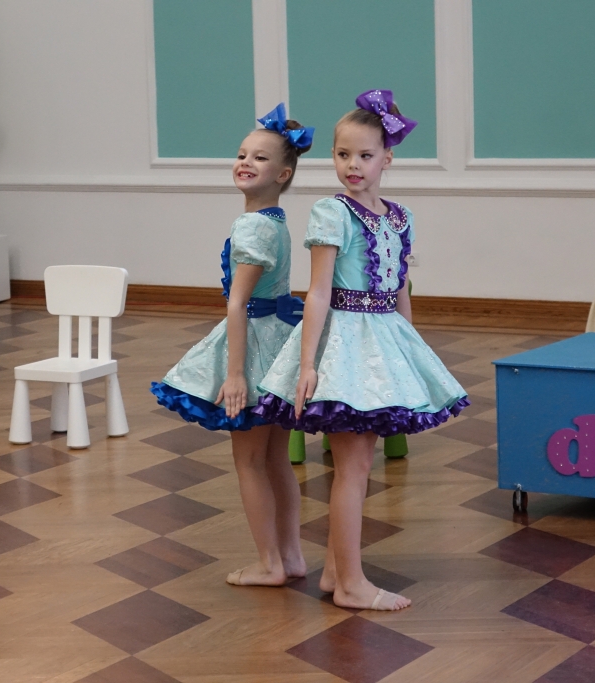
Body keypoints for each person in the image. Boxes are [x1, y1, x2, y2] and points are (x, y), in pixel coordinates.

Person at [254, 90, 469, 611]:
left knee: (362, 464)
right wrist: (308, 364)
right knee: (352, 468)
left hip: (383, 340)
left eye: (365, 155)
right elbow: (319, 292)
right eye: (342, 154)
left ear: (387, 158)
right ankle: (351, 584)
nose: (353, 165)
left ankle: (336, 572)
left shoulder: (400, 217)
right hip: (344, 348)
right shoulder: (332, 212)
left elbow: (399, 290)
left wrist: (410, 355)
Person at [151, 104, 313, 587]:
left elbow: (237, 304)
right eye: (242, 154)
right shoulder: (276, 220)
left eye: (259, 158)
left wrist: (236, 372)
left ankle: (269, 564)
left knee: (249, 461)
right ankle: (291, 556)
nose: (245, 162)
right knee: (276, 459)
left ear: (282, 174)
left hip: (257, 346)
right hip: (280, 341)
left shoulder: (251, 225)